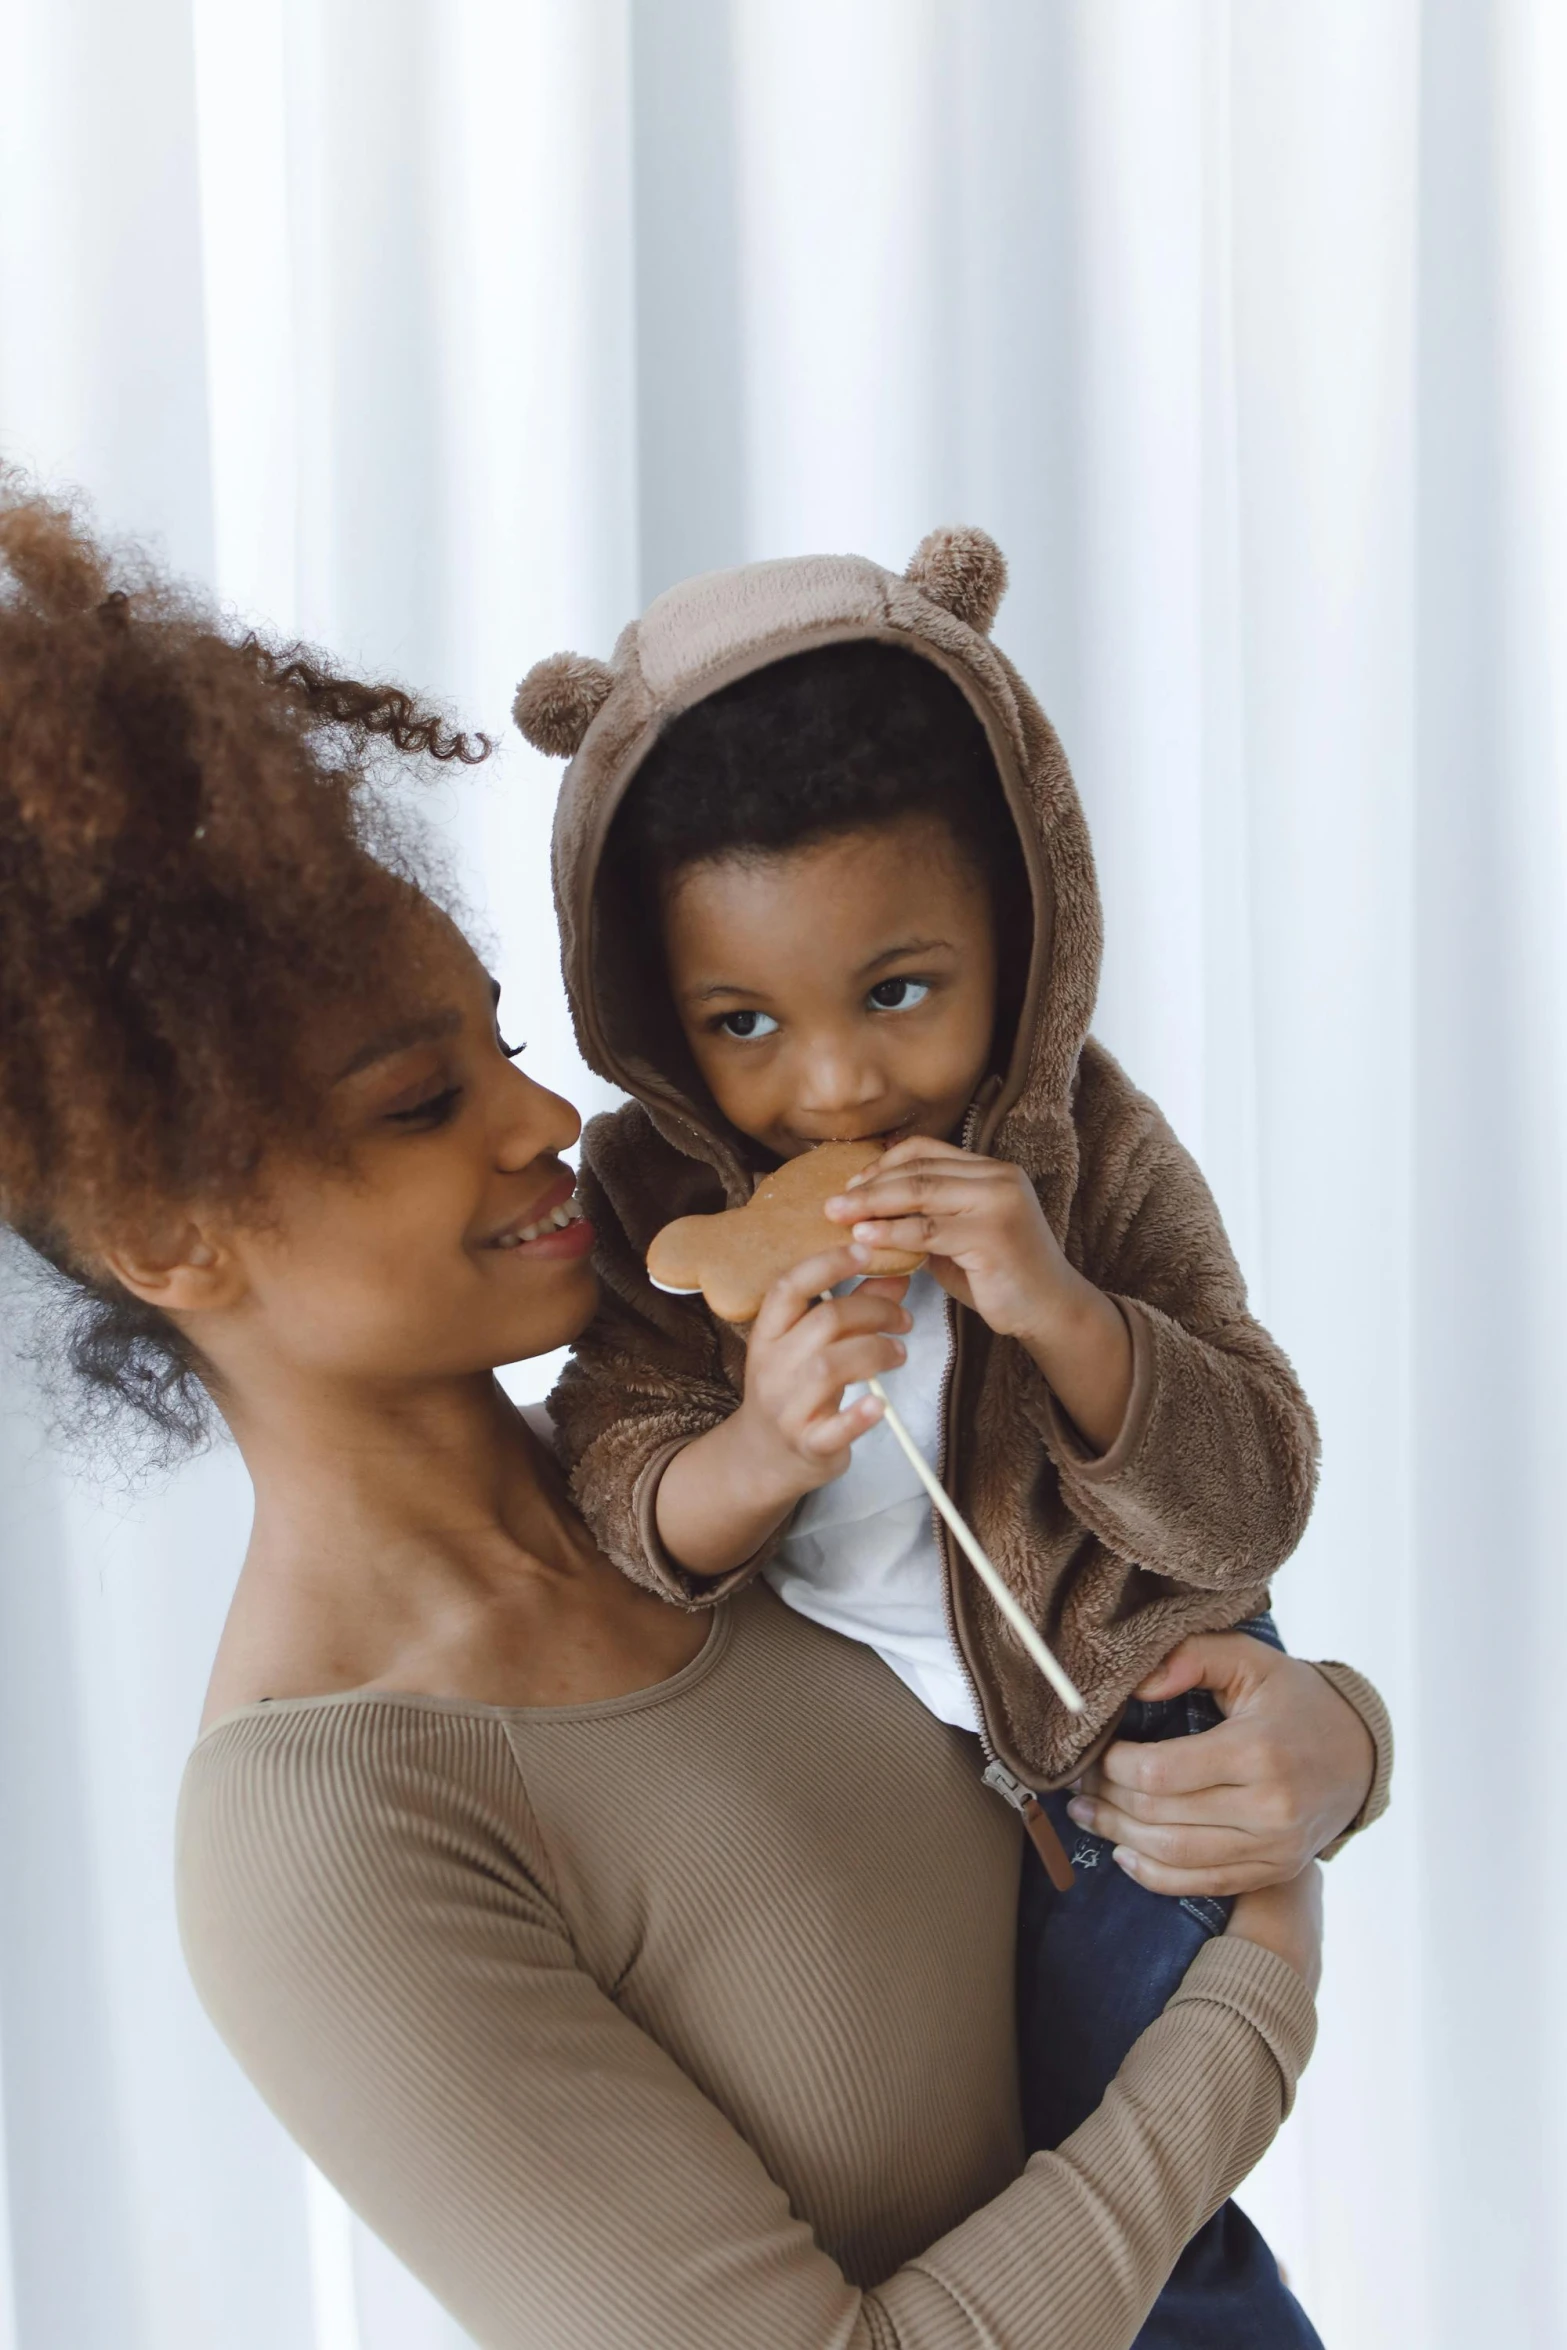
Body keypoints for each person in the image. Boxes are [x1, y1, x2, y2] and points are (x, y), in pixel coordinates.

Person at [0, 482, 1386, 2349]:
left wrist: (1326, 1749)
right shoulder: (327, 1835)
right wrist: (1259, 1999)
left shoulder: (709, 1473)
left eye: (503, 1035)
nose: (543, 1117)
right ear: (172, 1232)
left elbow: (1063, 1698)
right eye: (423, 1103)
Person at [520, 527, 1387, 2347]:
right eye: (741, 1025)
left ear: (1018, 929)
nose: (831, 1087)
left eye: (896, 991)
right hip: (849, 1808)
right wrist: (750, 1448)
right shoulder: (655, 1202)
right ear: (655, 1021)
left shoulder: (1089, 1147)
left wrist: (1067, 1313)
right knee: (938, 2207)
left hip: (1111, 1748)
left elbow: (1256, 1492)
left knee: (1134, 2213)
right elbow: (603, 1483)